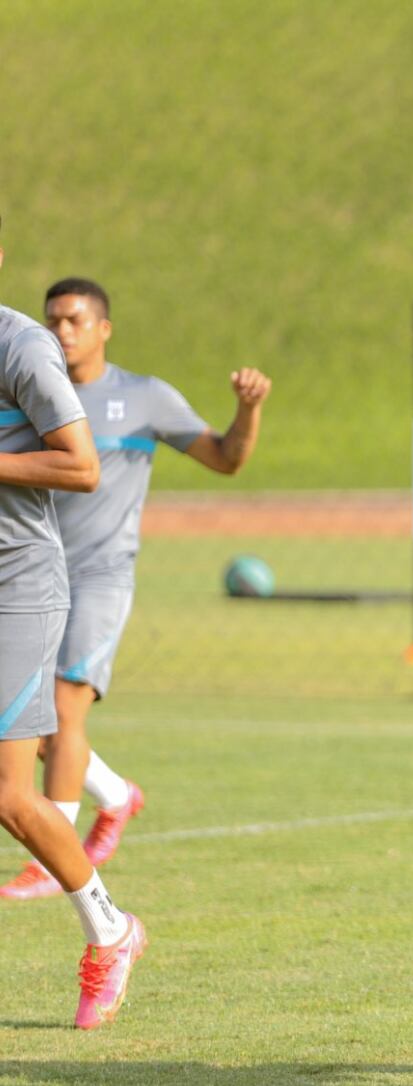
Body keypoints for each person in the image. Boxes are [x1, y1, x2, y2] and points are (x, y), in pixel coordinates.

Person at [0, 278, 270, 899]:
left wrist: (248, 409)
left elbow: (226, 459)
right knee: (29, 726)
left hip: (99, 576)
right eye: (53, 319)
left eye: (74, 320)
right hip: (25, 573)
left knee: (65, 707)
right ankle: (116, 795)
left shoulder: (145, 397)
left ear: (104, 329)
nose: (62, 330)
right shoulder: (26, 384)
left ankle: (52, 864)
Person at [0, 222, 146, 1028]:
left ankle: (110, 932)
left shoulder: (21, 347)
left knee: (12, 798)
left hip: (16, 588)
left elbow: (81, 466)